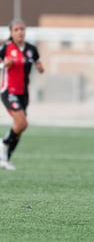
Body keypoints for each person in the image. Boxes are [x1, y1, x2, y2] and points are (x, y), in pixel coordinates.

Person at [0, 19, 45, 170]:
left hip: (24, 93)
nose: (20, 32)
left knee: (19, 130)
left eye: (22, 29)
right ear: (11, 33)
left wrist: (39, 67)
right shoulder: (6, 48)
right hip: (9, 91)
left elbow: (38, 63)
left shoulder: (31, 49)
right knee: (22, 123)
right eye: (17, 30)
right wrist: (3, 65)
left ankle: (5, 160)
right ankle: (3, 143)